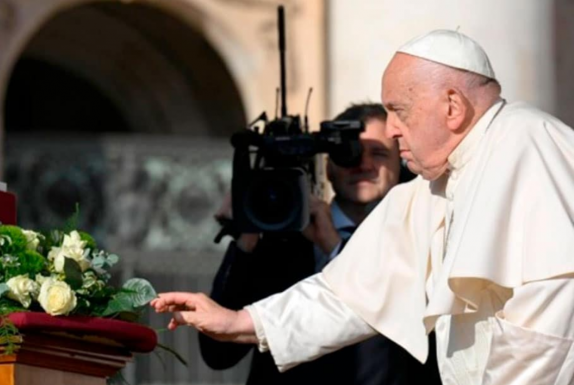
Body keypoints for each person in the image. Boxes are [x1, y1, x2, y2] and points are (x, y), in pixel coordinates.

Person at [152, 29, 574, 385]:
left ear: (453, 107)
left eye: (399, 111)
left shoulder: (528, 142)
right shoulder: (434, 186)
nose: (392, 129)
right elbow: (349, 294)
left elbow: (550, 313)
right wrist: (243, 322)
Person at [201, 104, 435, 385]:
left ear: (400, 164)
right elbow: (218, 354)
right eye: (347, 153)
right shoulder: (284, 242)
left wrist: (336, 250)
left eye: (379, 153)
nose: (363, 163)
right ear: (329, 167)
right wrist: (248, 235)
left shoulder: (420, 238)